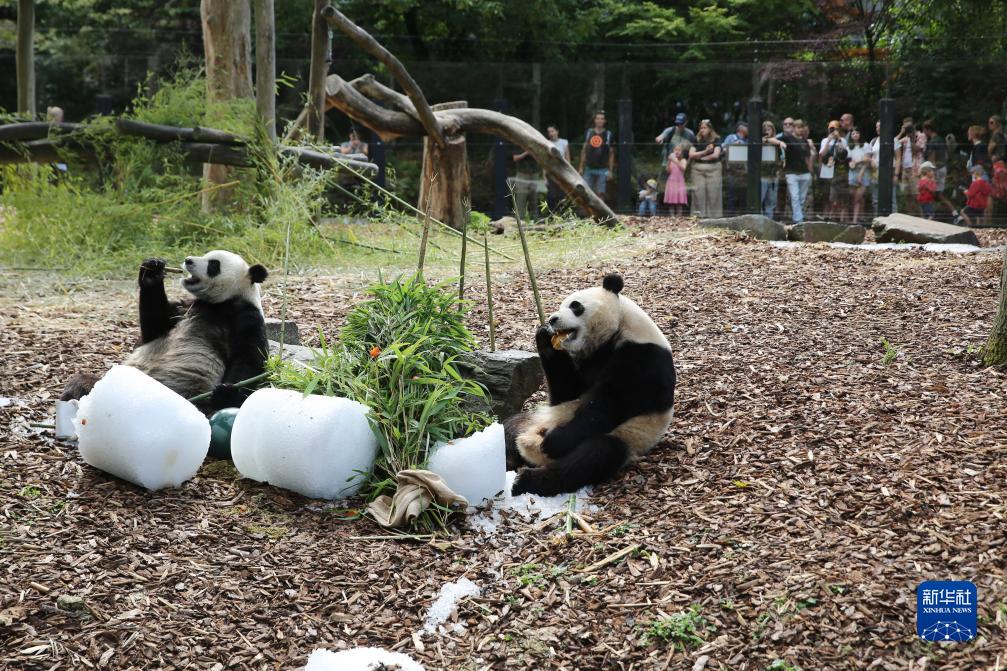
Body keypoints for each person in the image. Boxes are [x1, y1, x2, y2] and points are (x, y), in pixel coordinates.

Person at [767, 118, 812, 223]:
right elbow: (768, 139)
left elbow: (808, 158)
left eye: (802, 128)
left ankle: (796, 218)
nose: (800, 130)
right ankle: (799, 220)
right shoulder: (787, 137)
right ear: (794, 128)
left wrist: (810, 172)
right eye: (798, 127)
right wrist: (780, 143)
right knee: (795, 197)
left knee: (801, 199)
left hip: (805, 173)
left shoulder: (805, 141)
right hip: (791, 173)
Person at [688, 119, 723, 218]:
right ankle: (698, 217)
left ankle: (714, 218)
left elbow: (716, 155)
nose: (702, 130)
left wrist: (699, 156)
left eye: (705, 128)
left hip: (713, 168)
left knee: (713, 194)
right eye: (701, 128)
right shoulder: (696, 139)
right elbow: (691, 154)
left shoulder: (716, 139)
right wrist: (705, 152)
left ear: (710, 129)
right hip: (697, 169)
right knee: (698, 194)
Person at [578, 111, 614, 198]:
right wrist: (581, 167)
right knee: (585, 193)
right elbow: (584, 151)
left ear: (605, 121)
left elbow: (611, 154)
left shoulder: (608, 134)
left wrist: (610, 171)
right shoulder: (589, 133)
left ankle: (601, 212)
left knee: (601, 194)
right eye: (598, 118)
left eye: (602, 119)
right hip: (589, 168)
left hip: (603, 169)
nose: (600, 121)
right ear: (594, 120)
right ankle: (587, 211)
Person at [895, 117, 926, 214]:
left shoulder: (920, 136)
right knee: (907, 195)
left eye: (909, 127)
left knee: (917, 194)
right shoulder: (906, 138)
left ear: (914, 126)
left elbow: (917, 149)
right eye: (905, 127)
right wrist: (901, 133)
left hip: (915, 169)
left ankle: (921, 216)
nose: (907, 129)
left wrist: (912, 138)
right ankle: (910, 216)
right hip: (905, 169)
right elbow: (893, 143)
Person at [819, 120, 846, 219]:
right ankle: (826, 215)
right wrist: (829, 141)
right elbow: (822, 154)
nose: (833, 131)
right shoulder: (825, 140)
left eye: (835, 129)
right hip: (826, 171)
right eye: (831, 129)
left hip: (837, 171)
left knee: (835, 196)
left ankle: (834, 215)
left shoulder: (842, 140)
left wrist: (838, 138)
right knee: (826, 195)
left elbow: (844, 153)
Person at [721, 121, 749, 215]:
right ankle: (730, 217)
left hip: (744, 173)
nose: (749, 129)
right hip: (733, 172)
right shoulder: (731, 137)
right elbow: (723, 149)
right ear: (741, 129)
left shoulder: (748, 140)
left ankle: (743, 217)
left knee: (744, 196)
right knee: (732, 195)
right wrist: (733, 146)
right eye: (747, 127)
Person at [847, 127, 872, 225]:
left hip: (863, 172)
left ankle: (854, 221)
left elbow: (867, 160)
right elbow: (849, 161)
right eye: (853, 134)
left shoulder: (865, 145)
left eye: (857, 133)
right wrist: (851, 164)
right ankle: (861, 217)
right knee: (855, 196)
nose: (855, 135)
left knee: (857, 198)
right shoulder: (849, 147)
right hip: (852, 172)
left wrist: (860, 171)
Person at [545, 124, 570, 212]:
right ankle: (552, 215)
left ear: (557, 131)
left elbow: (567, 159)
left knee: (562, 194)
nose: (551, 133)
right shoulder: (546, 143)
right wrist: (544, 177)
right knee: (551, 195)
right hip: (551, 173)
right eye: (549, 132)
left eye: (552, 131)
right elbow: (545, 161)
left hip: (562, 172)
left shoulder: (564, 142)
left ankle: (563, 214)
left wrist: (569, 173)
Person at [760, 121, 782, 220]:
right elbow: (764, 140)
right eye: (764, 130)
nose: (767, 132)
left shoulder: (777, 142)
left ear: (773, 131)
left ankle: (769, 221)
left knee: (771, 202)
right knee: (760, 201)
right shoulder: (759, 142)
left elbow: (778, 143)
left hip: (773, 176)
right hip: (762, 176)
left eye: (769, 129)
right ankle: (759, 221)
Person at [921, 119, 949, 196]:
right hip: (943, 168)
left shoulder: (932, 142)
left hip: (935, 170)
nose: (923, 132)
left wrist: (931, 173)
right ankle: (952, 208)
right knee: (939, 194)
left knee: (930, 193)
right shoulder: (941, 140)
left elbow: (931, 159)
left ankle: (930, 207)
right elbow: (946, 155)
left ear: (928, 130)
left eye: (924, 130)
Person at [664, 142, 689, 216]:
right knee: (671, 202)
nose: (677, 151)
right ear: (673, 151)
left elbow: (683, 168)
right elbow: (668, 171)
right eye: (675, 150)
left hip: (679, 182)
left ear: (682, 152)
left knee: (679, 201)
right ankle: (672, 216)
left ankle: (679, 215)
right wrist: (669, 161)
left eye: (679, 150)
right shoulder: (671, 161)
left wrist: (674, 160)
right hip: (671, 181)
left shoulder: (683, 160)